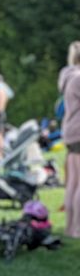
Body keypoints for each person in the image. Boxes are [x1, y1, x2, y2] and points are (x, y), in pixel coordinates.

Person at [58, 40, 80, 237]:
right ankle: (77, 229)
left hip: (70, 132)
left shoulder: (68, 76)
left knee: (72, 182)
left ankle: (70, 227)